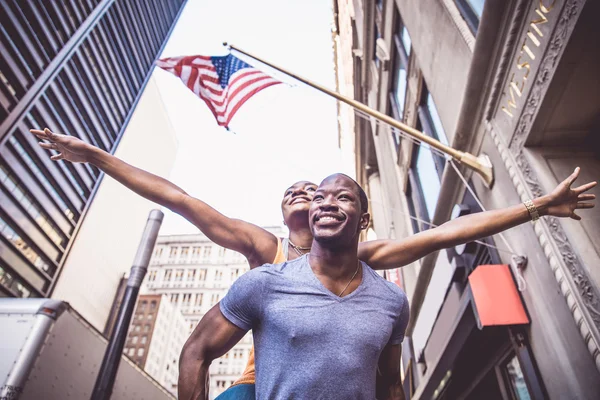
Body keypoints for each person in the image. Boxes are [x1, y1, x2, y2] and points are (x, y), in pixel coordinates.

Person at [32, 128, 596, 397]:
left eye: (326, 192)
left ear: (356, 215)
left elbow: (447, 231)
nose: (312, 196)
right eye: (300, 191)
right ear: (285, 210)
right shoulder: (262, 255)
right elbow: (180, 199)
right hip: (261, 385)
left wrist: (533, 209)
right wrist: (100, 158)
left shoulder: (370, 263)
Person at [179, 173, 409, 400]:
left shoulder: (392, 299)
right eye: (319, 198)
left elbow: (391, 385)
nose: (327, 204)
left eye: (343, 198)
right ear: (311, 216)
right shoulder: (264, 282)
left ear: (363, 220)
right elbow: (196, 352)